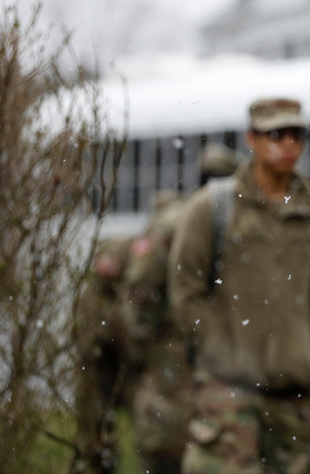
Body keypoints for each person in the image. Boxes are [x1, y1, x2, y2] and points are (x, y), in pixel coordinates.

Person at [168, 98, 310, 474]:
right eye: (276, 134)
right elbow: (186, 288)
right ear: (252, 138)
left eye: (297, 135)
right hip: (229, 392)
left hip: (296, 394)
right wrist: (220, 350)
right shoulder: (213, 207)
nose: (288, 144)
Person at [121, 143, 239, 474]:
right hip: (187, 351)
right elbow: (140, 288)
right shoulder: (185, 223)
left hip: (195, 352)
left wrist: (143, 340)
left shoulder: (192, 222)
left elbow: (139, 288)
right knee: (177, 445)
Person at [74, 235, 140, 474]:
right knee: (97, 439)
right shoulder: (95, 297)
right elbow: (90, 337)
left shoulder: (126, 287)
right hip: (98, 372)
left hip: (121, 371)